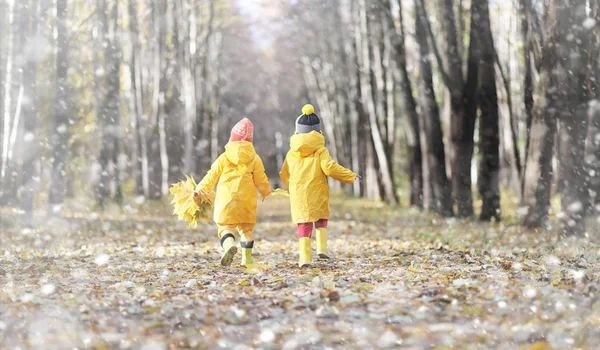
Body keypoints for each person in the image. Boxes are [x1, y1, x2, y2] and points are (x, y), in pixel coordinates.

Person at [280, 104, 360, 267]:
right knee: (321, 217)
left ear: (297, 131)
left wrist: (289, 188)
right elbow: (329, 168)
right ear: (318, 131)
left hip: (299, 195)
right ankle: (322, 248)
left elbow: (284, 173)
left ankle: (304, 257)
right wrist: (350, 176)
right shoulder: (320, 151)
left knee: (304, 223)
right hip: (317, 191)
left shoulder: (291, 153)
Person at [195, 118, 271, 266]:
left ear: (232, 138)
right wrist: (266, 191)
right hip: (246, 201)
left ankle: (229, 245)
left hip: (226, 200)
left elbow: (212, 175)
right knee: (246, 230)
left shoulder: (224, 157)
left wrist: (201, 189)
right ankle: (247, 259)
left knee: (225, 227)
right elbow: (261, 180)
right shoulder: (255, 159)